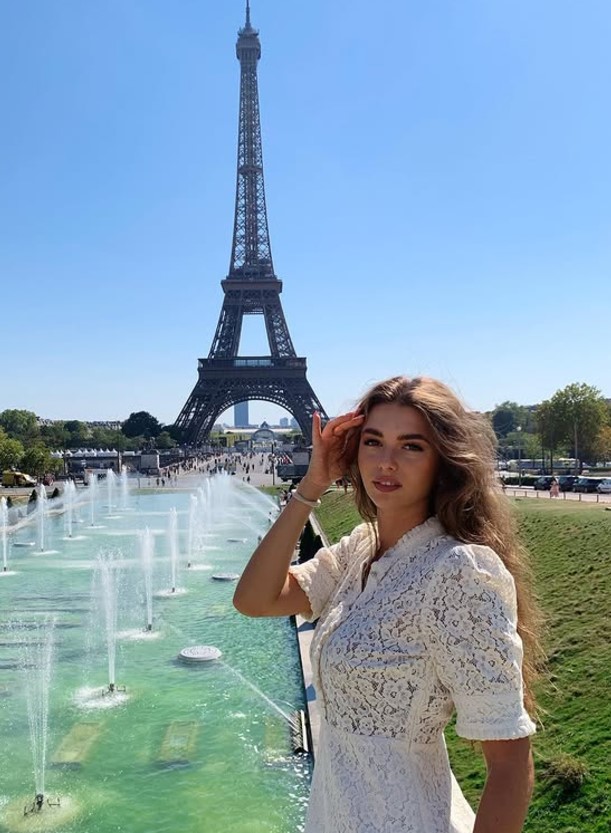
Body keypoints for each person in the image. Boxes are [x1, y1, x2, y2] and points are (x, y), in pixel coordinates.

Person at [234, 376, 543, 833]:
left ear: (444, 460)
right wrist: (312, 484)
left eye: (411, 446)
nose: (386, 462)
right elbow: (254, 599)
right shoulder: (361, 549)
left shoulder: (456, 572)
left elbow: (511, 764)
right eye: (373, 441)